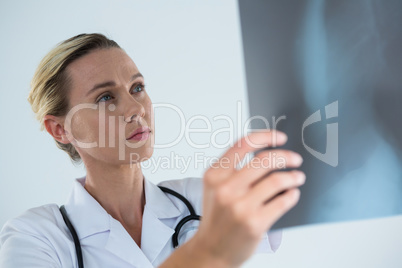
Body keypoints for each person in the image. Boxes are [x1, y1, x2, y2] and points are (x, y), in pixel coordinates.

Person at [0, 33, 305, 268]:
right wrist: (207, 250)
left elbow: (305, 187)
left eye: (137, 88)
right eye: (106, 97)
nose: (135, 109)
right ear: (60, 129)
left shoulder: (203, 200)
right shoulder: (36, 237)